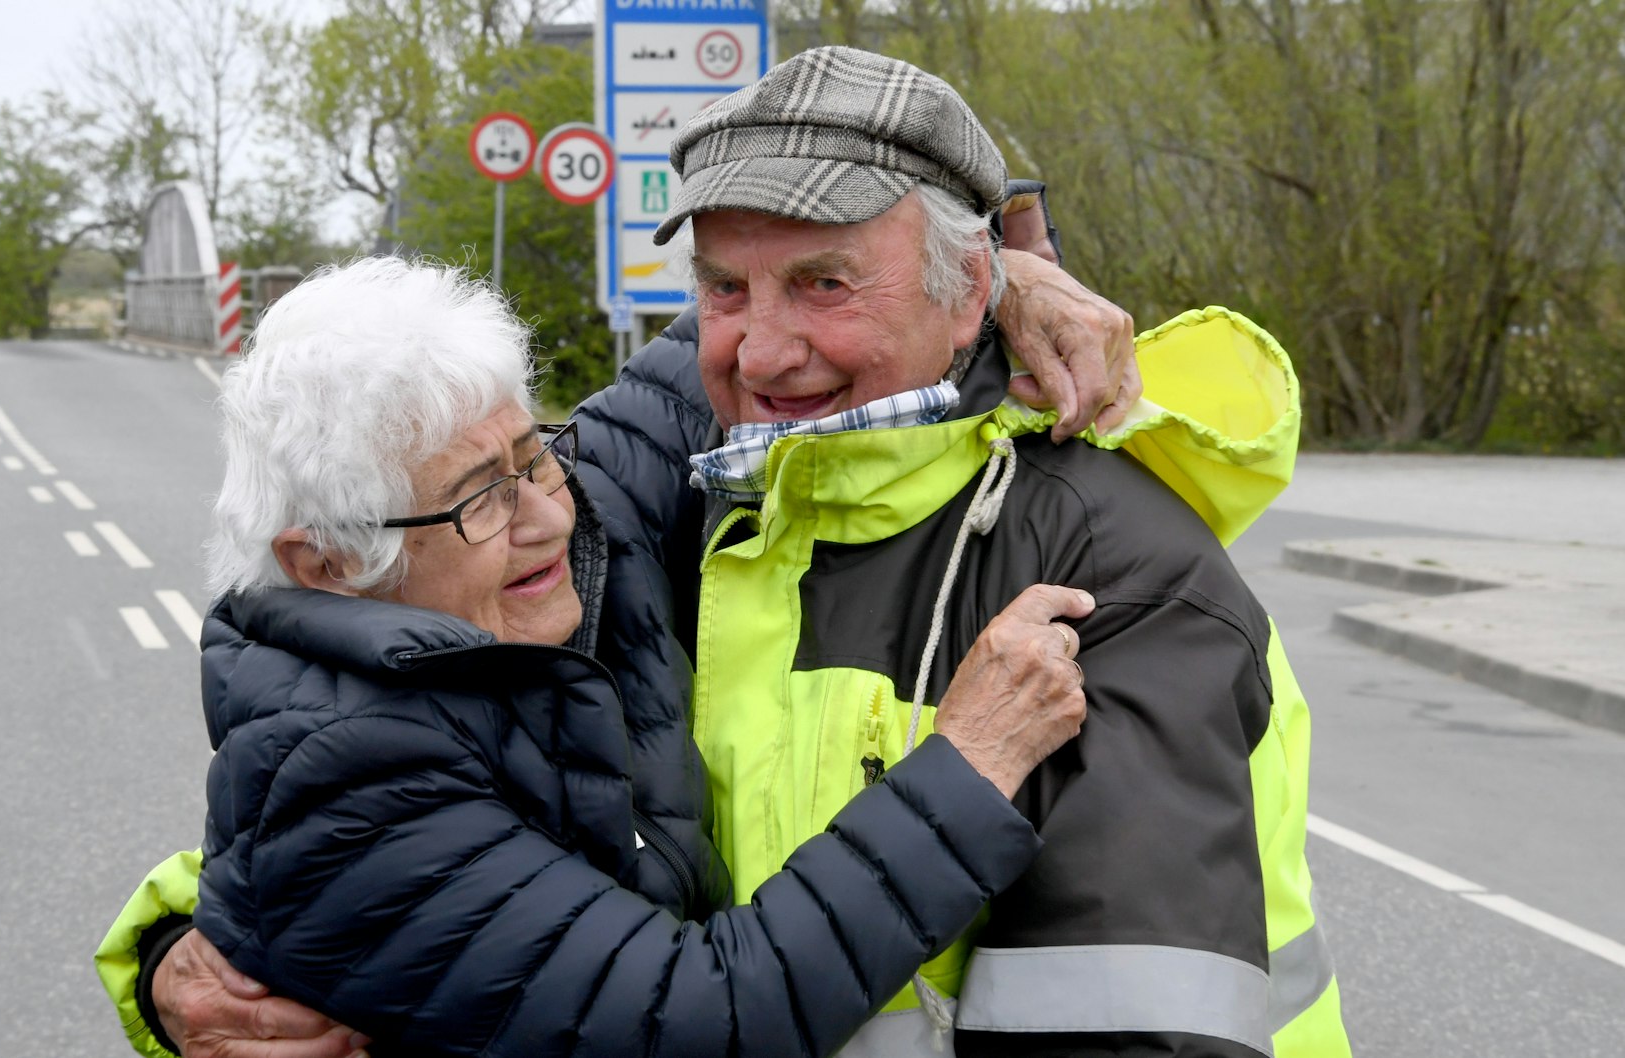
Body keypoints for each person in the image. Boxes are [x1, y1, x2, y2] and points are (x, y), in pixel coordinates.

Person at [101, 46, 1348, 1058]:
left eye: (823, 282)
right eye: (722, 289)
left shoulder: (1094, 559)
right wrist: (184, 951)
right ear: (319, 561)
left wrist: (1006, 268)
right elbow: (669, 996)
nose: (756, 352)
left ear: (960, 293)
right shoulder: (689, 516)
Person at [122, 254, 1092, 1057]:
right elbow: (703, 1014)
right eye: (479, 497)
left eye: (531, 454)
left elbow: (726, 339)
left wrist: (983, 267)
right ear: (328, 560)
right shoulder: (352, 786)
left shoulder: (555, 533)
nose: (549, 513)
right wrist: (969, 764)